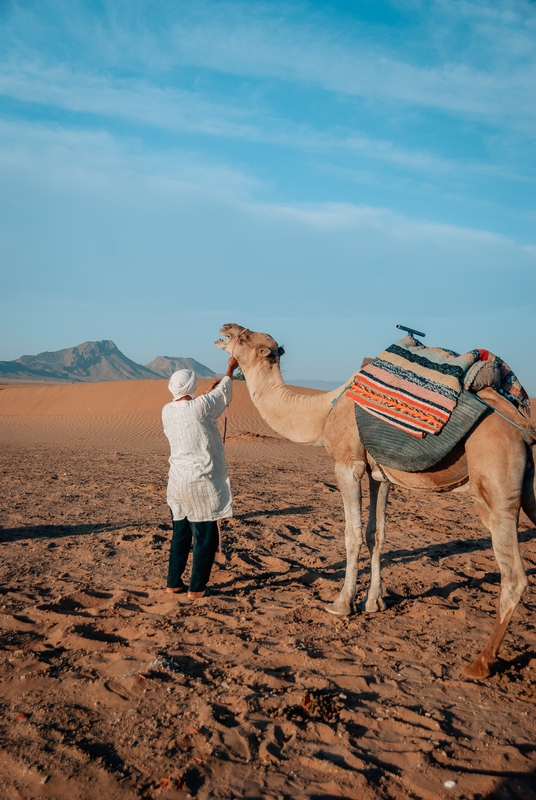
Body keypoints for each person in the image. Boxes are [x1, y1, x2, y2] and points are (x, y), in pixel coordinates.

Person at [162, 357, 238, 599]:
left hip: (177, 483)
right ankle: (197, 588)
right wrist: (230, 368)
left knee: (181, 534)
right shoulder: (200, 407)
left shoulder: (167, 410)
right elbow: (222, 394)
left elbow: (194, 407)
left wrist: (206, 393)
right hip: (200, 482)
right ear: (190, 388)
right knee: (206, 537)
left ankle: (173, 583)